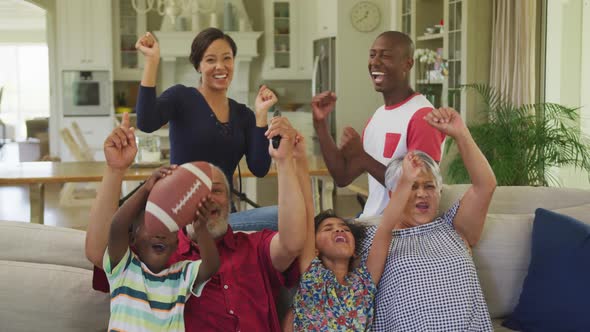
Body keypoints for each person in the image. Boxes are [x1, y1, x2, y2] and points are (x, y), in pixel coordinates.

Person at [85, 113, 307, 331]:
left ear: (229, 201)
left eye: (216, 190)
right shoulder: (158, 250)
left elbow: (292, 243)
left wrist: (285, 161)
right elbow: (98, 250)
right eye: (195, 191)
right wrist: (115, 169)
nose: (207, 197)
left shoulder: (255, 246)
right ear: (179, 203)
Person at [359, 107, 496, 330]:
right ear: (394, 193)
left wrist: (461, 133)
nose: (422, 193)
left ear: (439, 192)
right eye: (412, 186)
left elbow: (485, 186)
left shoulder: (453, 228)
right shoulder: (373, 237)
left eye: (429, 186)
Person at [135, 27, 279, 230]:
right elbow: (145, 122)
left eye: (227, 58)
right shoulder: (181, 98)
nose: (220, 66)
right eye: (210, 60)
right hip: (184, 216)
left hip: (224, 217)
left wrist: (262, 115)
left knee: (291, 218)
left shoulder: (243, 115)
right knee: (283, 217)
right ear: (198, 66)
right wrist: (151, 61)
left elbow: (259, 168)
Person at [282, 151, 423, 331]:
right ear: (315, 248)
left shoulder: (364, 282)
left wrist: (407, 181)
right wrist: (300, 158)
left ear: (355, 250)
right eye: (328, 228)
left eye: (345, 229)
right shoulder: (313, 276)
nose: (339, 229)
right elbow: (309, 209)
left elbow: (386, 227)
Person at [312, 31, 446, 218]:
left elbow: (420, 193)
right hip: (370, 220)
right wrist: (320, 124)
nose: (375, 62)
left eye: (386, 56)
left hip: (400, 230)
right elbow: (342, 177)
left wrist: (362, 157)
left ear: (408, 64)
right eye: (372, 54)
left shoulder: (422, 117)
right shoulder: (379, 116)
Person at [104, 154, 219, 331]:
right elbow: (116, 227)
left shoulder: (180, 275)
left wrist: (201, 229)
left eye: (168, 228)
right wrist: (145, 189)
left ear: (176, 243)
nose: (160, 234)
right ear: (133, 238)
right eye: (152, 225)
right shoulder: (124, 267)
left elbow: (211, 266)